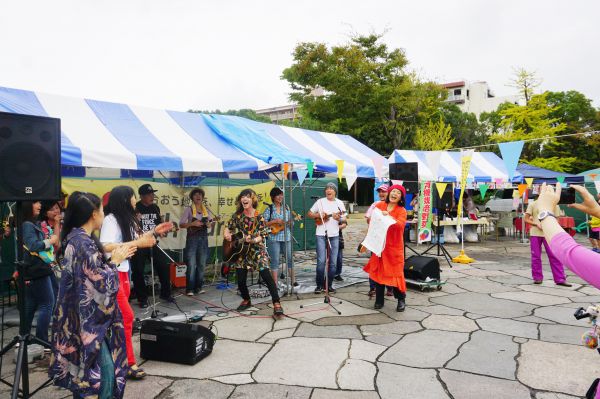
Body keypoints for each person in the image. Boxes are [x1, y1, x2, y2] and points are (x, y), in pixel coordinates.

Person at [49, 192, 136, 399]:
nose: (104, 215)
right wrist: (114, 262)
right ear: (93, 214)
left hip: (83, 321)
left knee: (89, 375)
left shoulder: (79, 239)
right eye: (102, 210)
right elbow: (99, 284)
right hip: (88, 323)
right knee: (103, 378)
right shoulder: (82, 243)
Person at [100, 186, 172, 380]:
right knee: (127, 317)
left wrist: (155, 233)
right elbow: (105, 246)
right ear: (125, 199)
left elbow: (140, 240)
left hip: (123, 273)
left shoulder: (128, 219)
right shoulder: (111, 219)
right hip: (112, 273)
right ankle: (128, 363)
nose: (135, 200)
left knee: (122, 320)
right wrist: (136, 244)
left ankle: (115, 359)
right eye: (133, 196)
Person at [224, 189, 284, 318]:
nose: (244, 199)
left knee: (266, 276)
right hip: (241, 251)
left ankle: (276, 303)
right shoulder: (237, 215)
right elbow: (228, 226)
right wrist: (227, 234)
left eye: (247, 197)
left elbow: (264, 233)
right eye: (242, 196)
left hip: (257, 249)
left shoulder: (258, 216)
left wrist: (255, 239)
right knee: (240, 281)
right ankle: (246, 300)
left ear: (252, 200)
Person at [363, 185, 408, 312]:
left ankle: (401, 299)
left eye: (398, 192)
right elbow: (372, 224)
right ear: (389, 193)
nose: (394, 194)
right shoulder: (379, 206)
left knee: (396, 274)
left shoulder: (402, 210)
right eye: (393, 191)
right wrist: (367, 242)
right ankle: (379, 300)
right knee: (378, 273)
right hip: (379, 246)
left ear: (401, 197)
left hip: (394, 248)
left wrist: (388, 216)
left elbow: (400, 226)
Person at [131, 184, 174, 307]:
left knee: (163, 266)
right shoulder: (135, 208)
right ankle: (142, 299)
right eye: (149, 195)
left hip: (153, 242)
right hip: (139, 244)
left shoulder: (155, 207)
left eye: (153, 194)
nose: (152, 197)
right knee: (138, 270)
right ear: (142, 196)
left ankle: (165, 293)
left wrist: (163, 232)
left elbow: (158, 225)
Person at [21, 201, 56, 345]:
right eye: (36, 202)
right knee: (47, 303)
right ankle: (42, 340)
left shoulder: (28, 223)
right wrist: (50, 241)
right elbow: (33, 245)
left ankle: (25, 337)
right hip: (38, 270)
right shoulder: (28, 225)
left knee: (31, 304)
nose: (39, 205)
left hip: (33, 269)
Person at [307, 183, 347, 294]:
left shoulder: (339, 203)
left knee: (333, 262)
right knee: (321, 261)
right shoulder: (320, 202)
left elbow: (343, 219)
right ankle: (319, 285)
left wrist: (338, 218)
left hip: (334, 235)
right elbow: (309, 213)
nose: (328, 190)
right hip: (320, 234)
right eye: (327, 188)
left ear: (335, 191)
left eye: (331, 188)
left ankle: (328, 285)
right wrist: (318, 216)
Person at [524, 196, 571, 286]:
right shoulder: (533, 204)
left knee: (554, 256)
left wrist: (548, 225)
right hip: (535, 233)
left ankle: (560, 279)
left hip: (549, 234)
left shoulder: (555, 205)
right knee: (536, 256)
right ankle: (537, 278)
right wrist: (536, 224)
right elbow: (526, 219)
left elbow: (557, 219)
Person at [180, 188, 216, 296]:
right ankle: (189, 289)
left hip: (203, 239)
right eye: (195, 195)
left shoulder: (207, 209)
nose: (198, 196)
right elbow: (181, 224)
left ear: (202, 197)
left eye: (200, 194)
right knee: (191, 264)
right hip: (192, 239)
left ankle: (199, 287)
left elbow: (211, 223)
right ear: (192, 198)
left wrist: (211, 224)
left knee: (201, 264)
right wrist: (192, 224)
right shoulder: (189, 209)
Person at [263, 187, 295, 286]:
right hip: (274, 238)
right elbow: (263, 223)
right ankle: (275, 284)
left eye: (281, 194)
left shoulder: (286, 207)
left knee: (289, 258)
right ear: (273, 197)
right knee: (275, 260)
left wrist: (291, 223)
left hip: (286, 236)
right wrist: (274, 221)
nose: (280, 197)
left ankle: (293, 281)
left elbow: (291, 222)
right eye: (278, 195)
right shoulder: (270, 208)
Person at [365, 183, 389, 298]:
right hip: (376, 238)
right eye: (379, 191)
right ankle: (373, 288)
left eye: (383, 191)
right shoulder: (375, 204)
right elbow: (368, 219)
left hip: (389, 240)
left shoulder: (392, 205)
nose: (381, 193)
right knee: (374, 263)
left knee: (388, 263)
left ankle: (390, 288)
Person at [40, 200, 63, 298]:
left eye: (57, 208)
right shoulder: (43, 226)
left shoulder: (64, 223)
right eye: (52, 210)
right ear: (45, 213)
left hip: (64, 258)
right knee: (56, 289)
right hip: (50, 261)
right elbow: (56, 244)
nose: (56, 211)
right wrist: (57, 223)